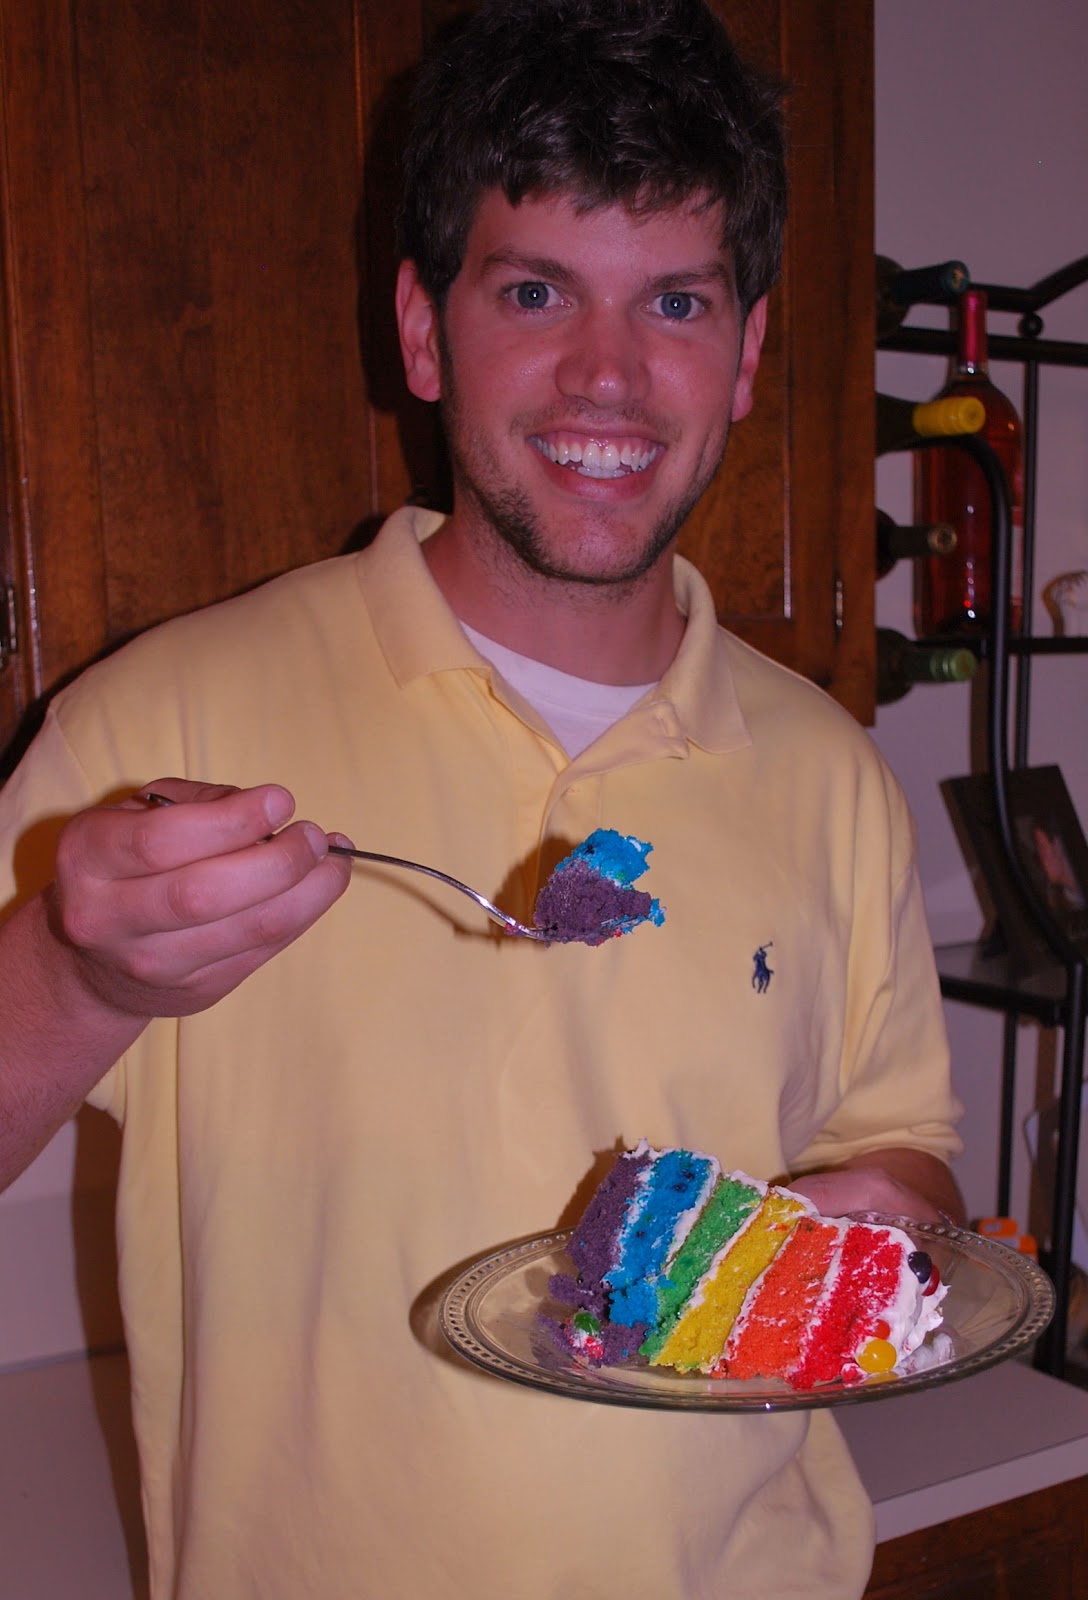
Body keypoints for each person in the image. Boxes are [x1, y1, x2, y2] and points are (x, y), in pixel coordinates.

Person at [0, 1, 963, 1594]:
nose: (608, 373)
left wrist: (891, 1220)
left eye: (675, 301)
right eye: (534, 291)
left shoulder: (833, 773)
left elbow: (903, 1153)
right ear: (423, 330)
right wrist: (71, 974)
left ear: (745, 356)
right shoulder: (159, 724)